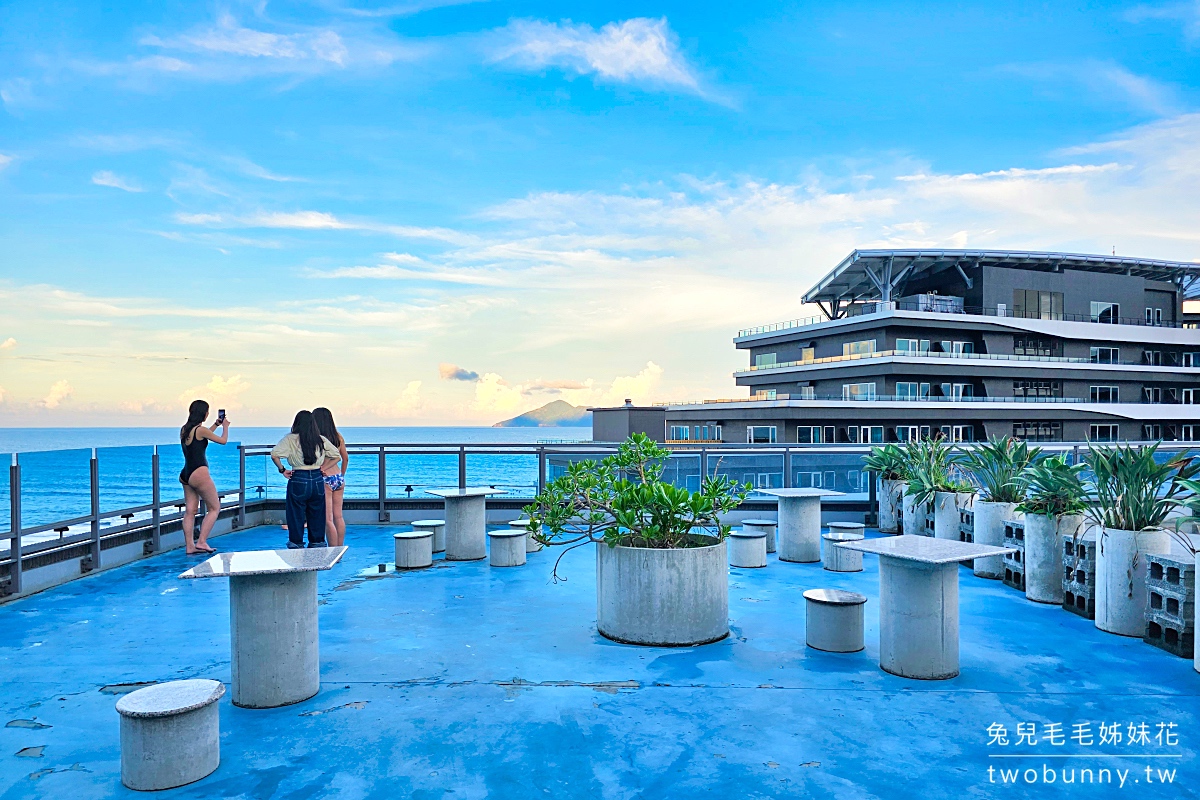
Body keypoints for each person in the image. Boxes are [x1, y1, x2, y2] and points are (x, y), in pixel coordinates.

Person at [271, 411, 340, 549]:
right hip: (317, 478)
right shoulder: (320, 439)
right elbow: (336, 456)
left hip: (298, 477)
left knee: (295, 514)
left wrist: (282, 470)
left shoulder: (290, 439)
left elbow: (274, 454)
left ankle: (296, 546)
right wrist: (323, 468)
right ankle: (317, 544)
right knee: (317, 514)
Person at [179, 400, 230, 555]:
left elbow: (204, 435)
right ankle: (201, 541)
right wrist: (226, 427)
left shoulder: (185, 429)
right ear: (204, 413)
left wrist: (216, 425)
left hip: (186, 474)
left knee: (190, 510)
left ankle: (190, 546)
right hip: (199, 473)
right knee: (215, 508)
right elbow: (223, 441)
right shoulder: (200, 430)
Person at [313, 407, 349, 548]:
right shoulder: (338, 436)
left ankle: (333, 551)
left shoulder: (317, 438)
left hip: (325, 478)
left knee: (328, 519)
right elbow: (345, 459)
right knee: (338, 516)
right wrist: (341, 475)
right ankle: (340, 549)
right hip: (338, 477)